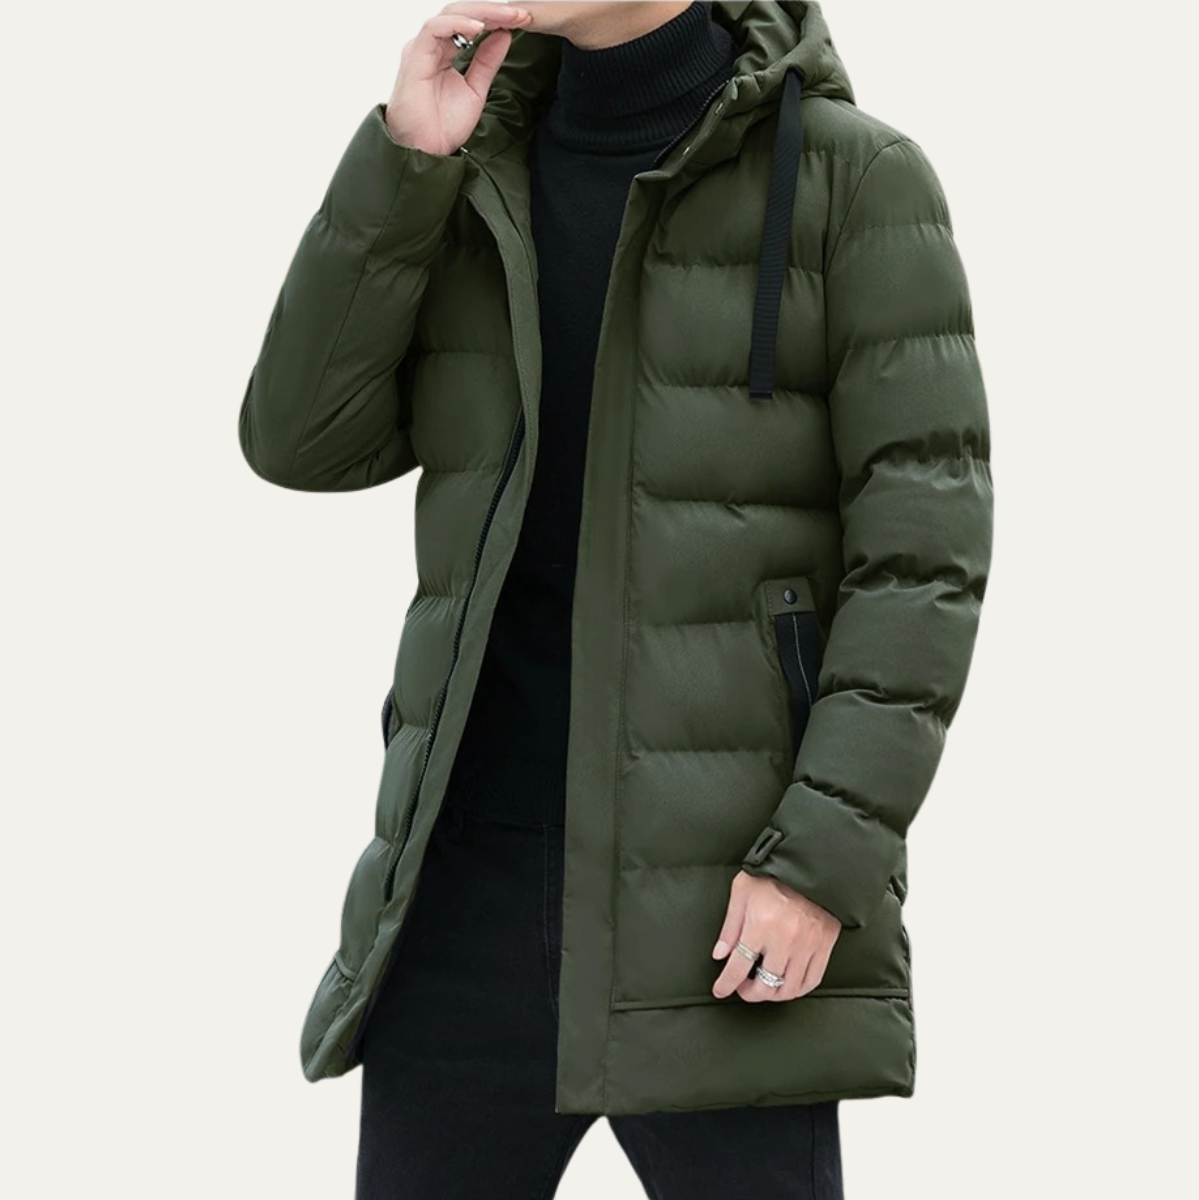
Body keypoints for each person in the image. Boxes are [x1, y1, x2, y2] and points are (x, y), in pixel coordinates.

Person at [237, 2, 994, 1196]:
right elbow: (300, 440)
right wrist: (406, 160)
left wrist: (818, 863)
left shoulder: (855, 180)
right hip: (463, 896)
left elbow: (923, 565)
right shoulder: (472, 167)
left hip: (725, 908)